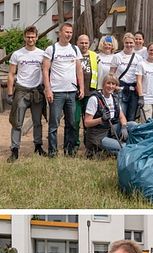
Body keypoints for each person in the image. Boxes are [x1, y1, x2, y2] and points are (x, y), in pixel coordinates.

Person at [42, 22, 84, 157]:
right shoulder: (51, 49)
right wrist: (48, 89)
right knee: (54, 123)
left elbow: (79, 70)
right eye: (66, 32)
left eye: (71, 32)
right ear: (59, 33)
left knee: (71, 123)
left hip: (71, 92)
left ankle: (69, 151)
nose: (69, 35)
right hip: (56, 92)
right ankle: (52, 152)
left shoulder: (75, 49)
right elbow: (45, 70)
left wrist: (81, 87)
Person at [7, 25, 46, 161]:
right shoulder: (17, 54)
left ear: (36, 37)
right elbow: (11, 74)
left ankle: (38, 146)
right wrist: (10, 92)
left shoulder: (42, 54)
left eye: (33, 36)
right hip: (21, 90)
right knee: (17, 122)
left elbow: (47, 72)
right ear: (24, 37)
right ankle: (15, 149)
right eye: (28, 36)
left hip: (37, 90)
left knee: (37, 121)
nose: (30, 39)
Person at [83, 74, 129, 157]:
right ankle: (101, 151)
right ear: (103, 84)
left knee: (133, 125)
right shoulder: (94, 99)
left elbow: (122, 117)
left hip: (111, 132)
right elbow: (87, 122)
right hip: (98, 135)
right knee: (125, 148)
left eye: (113, 84)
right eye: (108, 83)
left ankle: (121, 149)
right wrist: (101, 119)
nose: (111, 86)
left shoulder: (115, 98)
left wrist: (124, 127)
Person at [74, 34, 99, 153]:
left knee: (88, 121)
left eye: (86, 43)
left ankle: (88, 145)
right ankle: (74, 145)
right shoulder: (73, 55)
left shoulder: (94, 56)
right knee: (75, 120)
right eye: (81, 42)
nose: (84, 45)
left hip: (90, 93)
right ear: (77, 43)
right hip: (75, 93)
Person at [110, 32, 143, 122]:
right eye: (127, 43)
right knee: (121, 115)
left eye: (131, 43)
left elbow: (140, 76)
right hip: (121, 89)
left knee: (131, 117)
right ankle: (120, 135)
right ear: (123, 43)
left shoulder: (139, 58)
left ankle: (130, 135)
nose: (129, 45)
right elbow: (111, 74)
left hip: (133, 90)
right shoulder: (117, 56)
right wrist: (114, 87)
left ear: (134, 43)